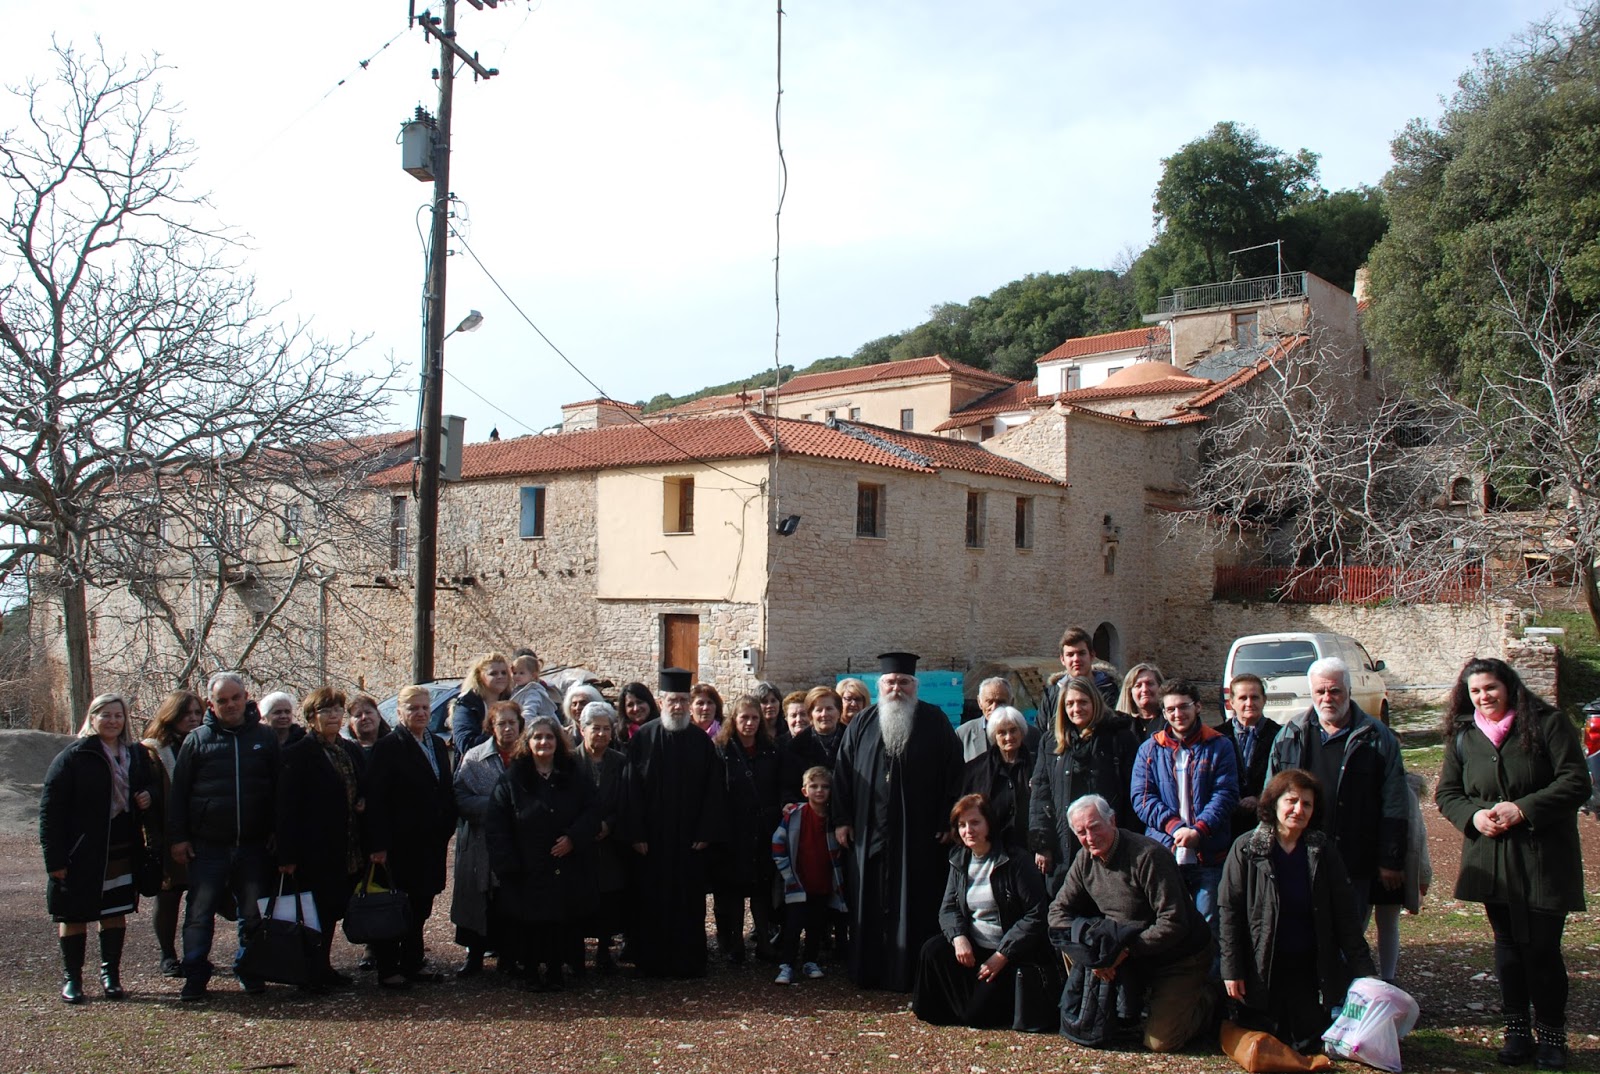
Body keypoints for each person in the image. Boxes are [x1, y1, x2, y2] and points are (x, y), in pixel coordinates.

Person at [1435, 657, 1589, 1070]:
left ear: (1509, 687)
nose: (1483, 697)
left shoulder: (1548, 724)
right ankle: (1517, 1033)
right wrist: (1473, 817)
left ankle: (1552, 1037)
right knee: (1507, 947)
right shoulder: (1465, 736)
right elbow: (1447, 793)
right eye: (1475, 691)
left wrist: (1523, 809)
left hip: (1543, 857)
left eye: (1490, 688)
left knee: (1542, 949)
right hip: (1492, 857)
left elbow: (1576, 780)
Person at [833, 652, 964, 992]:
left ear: (914, 686)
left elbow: (954, 773)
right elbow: (843, 773)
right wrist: (842, 820)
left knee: (916, 900)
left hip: (918, 833)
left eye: (904, 682)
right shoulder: (862, 723)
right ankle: (869, 971)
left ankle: (912, 971)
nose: (897, 688)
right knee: (870, 900)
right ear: (881, 686)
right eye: (891, 682)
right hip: (869, 831)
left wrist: (947, 820)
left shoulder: (935, 721)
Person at [1219, 769, 1375, 1054]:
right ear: (1274, 803)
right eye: (1291, 801)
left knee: (1308, 1042)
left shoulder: (1323, 851)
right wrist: (1232, 970)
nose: (1298, 809)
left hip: (1309, 967)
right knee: (1264, 1042)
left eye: (1307, 803)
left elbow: (1346, 916)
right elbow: (1229, 913)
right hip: (1262, 967)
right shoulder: (1246, 849)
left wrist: (1367, 975)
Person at [1047, 794, 1215, 1053]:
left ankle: (1208, 1000)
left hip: (1178, 955)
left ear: (1112, 820)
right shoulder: (1084, 859)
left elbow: (1173, 921)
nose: (1090, 837)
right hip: (1128, 951)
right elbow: (1058, 911)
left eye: (1095, 827)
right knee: (1074, 938)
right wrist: (1095, 956)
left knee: (1161, 1043)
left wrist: (1122, 952)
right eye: (1081, 832)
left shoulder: (1148, 856)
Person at [1265, 656, 1408, 934]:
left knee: (1349, 937)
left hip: (1356, 859)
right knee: (1305, 934)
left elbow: (1395, 802)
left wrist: (1391, 859)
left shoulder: (1377, 737)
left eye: (1335, 690)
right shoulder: (1290, 735)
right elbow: (1270, 797)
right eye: (1320, 691)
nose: (1327, 698)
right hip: (1301, 856)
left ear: (1348, 691)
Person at [167, 671, 280, 1001]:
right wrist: (179, 838)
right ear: (211, 704)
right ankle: (195, 975)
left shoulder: (265, 738)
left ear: (246, 698)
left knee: (253, 914)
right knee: (199, 914)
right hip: (208, 846)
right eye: (222, 700)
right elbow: (179, 794)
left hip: (254, 845)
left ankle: (250, 969)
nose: (230, 705)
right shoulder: (197, 740)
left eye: (235, 698)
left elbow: (279, 791)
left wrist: (277, 832)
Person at [40, 694, 155, 1003]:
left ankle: (111, 976)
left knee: (115, 910)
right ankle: (72, 979)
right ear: (92, 718)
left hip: (121, 845)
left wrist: (148, 795)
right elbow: (51, 810)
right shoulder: (75, 756)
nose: (113, 721)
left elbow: (150, 785)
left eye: (118, 715)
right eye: (105, 715)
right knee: (73, 913)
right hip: (81, 850)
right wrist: (55, 859)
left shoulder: (135, 754)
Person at [912, 794, 1051, 1029]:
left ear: (989, 823)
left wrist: (1002, 955)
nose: (968, 830)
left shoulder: (1016, 860)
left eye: (975, 822)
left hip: (1007, 954)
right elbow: (948, 907)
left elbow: (1036, 914)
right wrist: (958, 937)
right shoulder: (959, 860)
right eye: (962, 825)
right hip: (973, 948)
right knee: (932, 950)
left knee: (975, 1018)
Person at [624, 668, 727, 977]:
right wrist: (636, 833)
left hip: (688, 840)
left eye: (683, 700)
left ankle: (688, 963)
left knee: (688, 901)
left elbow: (713, 791)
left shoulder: (701, 742)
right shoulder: (643, 738)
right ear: (661, 702)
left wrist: (706, 831)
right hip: (652, 840)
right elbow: (631, 788)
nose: (678, 706)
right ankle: (651, 962)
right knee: (651, 899)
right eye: (673, 700)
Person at [486, 715, 601, 991]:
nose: (543, 742)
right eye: (537, 737)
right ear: (528, 742)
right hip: (526, 864)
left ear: (557, 741)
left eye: (549, 737)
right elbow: (497, 824)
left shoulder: (573, 774)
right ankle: (530, 971)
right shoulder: (512, 778)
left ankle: (555, 970)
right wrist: (508, 864)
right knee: (529, 923)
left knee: (561, 920)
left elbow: (592, 811)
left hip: (565, 862)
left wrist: (573, 838)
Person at [1129, 677, 1239, 950]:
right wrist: (1175, 827)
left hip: (1208, 854)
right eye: (1171, 709)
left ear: (1197, 706)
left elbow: (1225, 794)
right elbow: (1142, 798)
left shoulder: (1219, 745)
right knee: (1167, 926)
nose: (1177, 714)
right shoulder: (1150, 749)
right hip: (1164, 853)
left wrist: (1199, 830)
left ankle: (1209, 978)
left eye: (1183, 707)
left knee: (1208, 927)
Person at [275, 687, 369, 990]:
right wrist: (287, 855)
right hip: (314, 847)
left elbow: (362, 785)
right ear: (311, 716)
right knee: (312, 911)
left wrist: (362, 801)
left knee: (331, 910)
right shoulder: (298, 754)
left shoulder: (350, 750)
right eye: (325, 710)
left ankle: (323, 966)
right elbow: (287, 807)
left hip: (347, 844)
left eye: (337, 710)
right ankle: (309, 971)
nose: (332, 716)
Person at [367, 683, 457, 988]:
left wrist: (446, 826)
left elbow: (444, 788)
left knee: (421, 905)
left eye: (424, 708)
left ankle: (413, 961)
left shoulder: (436, 743)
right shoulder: (388, 747)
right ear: (399, 712)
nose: (420, 713)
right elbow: (376, 799)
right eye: (413, 708)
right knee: (395, 905)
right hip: (399, 843)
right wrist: (378, 844)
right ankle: (388, 967)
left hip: (430, 841)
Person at [1028, 676, 1140, 895]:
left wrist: (1129, 840)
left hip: (1109, 843)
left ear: (1094, 703)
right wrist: (1042, 844)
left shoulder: (1119, 738)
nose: (1076, 709)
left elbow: (1132, 793)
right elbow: (1041, 795)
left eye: (1082, 702)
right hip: (1064, 844)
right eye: (1070, 703)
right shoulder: (1051, 742)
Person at [450, 700, 522, 979]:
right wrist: (493, 806)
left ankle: (509, 955)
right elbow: (460, 796)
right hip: (480, 841)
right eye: (501, 723)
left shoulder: (528, 757)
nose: (508, 728)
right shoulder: (475, 757)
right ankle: (475, 955)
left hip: (515, 842)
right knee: (478, 900)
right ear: (491, 726)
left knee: (510, 899)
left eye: (512, 722)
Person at [712, 694, 782, 964]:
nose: (750, 723)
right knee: (734, 891)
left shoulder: (770, 749)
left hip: (762, 829)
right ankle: (736, 943)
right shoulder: (722, 750)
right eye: (744, 718)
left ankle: (763, 940)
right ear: (734, 719)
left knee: (761, 890)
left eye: (754, 718)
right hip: (734, 829)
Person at [140, 689, 204, 978]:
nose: (193, 718)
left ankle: (196, 954)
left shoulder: (204, 742)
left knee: (202, 898)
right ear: (172, 715)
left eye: (197, 713)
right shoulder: (153, 750)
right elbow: (147, 789)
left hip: (202, 831)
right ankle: (167, 954)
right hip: (167, 833)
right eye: (186, 713)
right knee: (169, 896)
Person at [771, 766, 846, 986]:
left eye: (824, 787)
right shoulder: (795, 814)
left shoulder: (834, 818)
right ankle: (787, 964)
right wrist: (787, 873)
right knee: (793, 927)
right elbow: (778, 842)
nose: (819, 791)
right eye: (814, 786)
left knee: (816, 926)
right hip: (798, 882)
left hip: (823, 882)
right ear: (805, 790)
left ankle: (810, 961)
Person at [573, 700, 630, 973]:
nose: (601, 734)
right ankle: (575, 951)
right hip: (578, 842)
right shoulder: (570, 762)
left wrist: (609, 825)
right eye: (595, 728)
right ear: (582, 729)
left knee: (608, 896)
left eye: (606, 729)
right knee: (577, 895)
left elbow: (626, 800)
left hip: (610, 841)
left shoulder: (620, 762)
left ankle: (605, 949)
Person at [961, 705, 1035, 851]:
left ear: (1022, 732)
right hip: (990, 847)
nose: (1009, 737)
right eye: (1002, 732)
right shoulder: (975, 770)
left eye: (1013, 730)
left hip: (1028, 847)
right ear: (994, 736)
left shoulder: (1037, 764)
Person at [1219, 673, 1282, 841]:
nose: (1249, 703)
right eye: (1242, 698)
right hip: (1227, 820)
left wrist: (1260, 798)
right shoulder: (1217, 736)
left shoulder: (1280, 735)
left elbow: (1282, 775)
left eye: (1254, 697)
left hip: (1266, 819)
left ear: (1264, 700)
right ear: (1232, 702)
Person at [1039, 628, 1120, 750]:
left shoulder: (1111, 690)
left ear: (1092, 655)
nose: (1076, 659)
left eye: (1081, 653)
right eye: (1070, 655)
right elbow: (1043, 733)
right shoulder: (1052, 694)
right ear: (1062, 660)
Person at [781, 685, 846, 802]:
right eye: (819, 710)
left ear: (839, 712)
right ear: (810, 714)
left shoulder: (853, 741)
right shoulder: (795, 747)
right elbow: (788, 788)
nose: (824, 714)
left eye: (829, 708)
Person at [957, 677, 1039, 761]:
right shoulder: (963, 734)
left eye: (1001, 702)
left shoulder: (1031, 734)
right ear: (979, 702)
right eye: (989, 702)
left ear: (1011, 702)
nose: (994, 708)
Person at [450, 651, 512, 757]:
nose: (500, 676)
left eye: (504, 673)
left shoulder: (513, 700)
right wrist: (501, 738)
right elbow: (466, 743)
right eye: (493, 673)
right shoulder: (467, 704)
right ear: (480, 677)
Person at [1115, 662, 1166, 744]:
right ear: (1130, 693)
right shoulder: (1121, 726)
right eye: (1138, 685)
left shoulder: (1170, 722)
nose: (1144, 689)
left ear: (1160, 688)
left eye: (1150, 684)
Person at [510, 652, 559, 721]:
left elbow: (529, 713)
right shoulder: (516, 690)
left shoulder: (533, 692)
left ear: (533, 675)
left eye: (521, 673)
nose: (517, 676)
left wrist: (521, 724)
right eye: (515, 673)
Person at [342, 692, 389, 758]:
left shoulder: (394, 744)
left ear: (378, 716)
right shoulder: (347, 752)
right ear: (351, 724)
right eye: (358, 715)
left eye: (368, 712)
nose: (364, 717)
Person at [754, 681, 789, 748]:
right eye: (765, 702)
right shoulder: (753, 731)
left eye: (773, 701)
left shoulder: (788, 729)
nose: (770, 705)